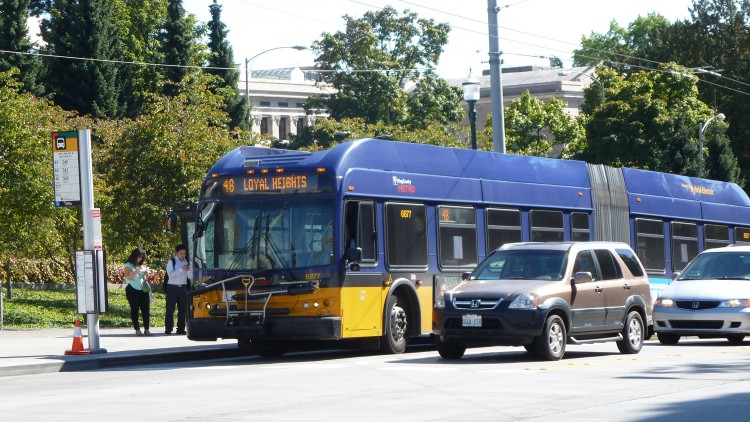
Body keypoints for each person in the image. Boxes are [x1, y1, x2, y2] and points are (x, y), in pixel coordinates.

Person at [164, 244, 192, 335]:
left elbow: (190, 277)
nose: (183, 255)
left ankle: (181, 329)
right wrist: (181, 269)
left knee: (182, 309)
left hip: (183, 287)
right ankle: (168, 328)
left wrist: (188, 270)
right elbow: (171, 276)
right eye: (181, 253)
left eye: (184, 253)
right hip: (172, 287)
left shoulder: (186, 262)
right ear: (177, 253)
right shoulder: (171, 262)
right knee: (170, 309)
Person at [123, 247, 151, 336]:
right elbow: (129, 276)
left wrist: (146, 273)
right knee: (135, 309)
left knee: (146, 309)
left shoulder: (142, 265)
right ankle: (137, 329)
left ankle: (147, 329)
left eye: (142, 257)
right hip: (132, 289)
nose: (140, 259)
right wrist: (138, 270)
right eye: (139, 257)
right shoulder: (128, 265)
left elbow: (145, 278)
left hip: (143, 289)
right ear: (134, 256)